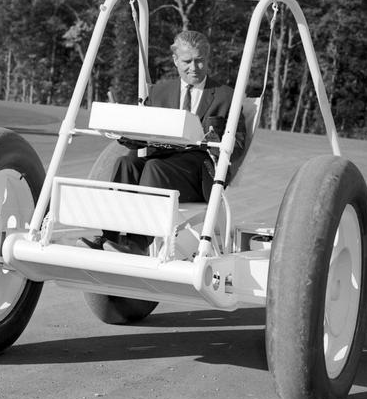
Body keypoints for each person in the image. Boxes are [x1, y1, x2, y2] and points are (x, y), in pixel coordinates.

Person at [83, 29, 246, 255]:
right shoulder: (159, 92)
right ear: (175, 60)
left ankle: (136, 244)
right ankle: (109, 238)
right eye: (187, 61)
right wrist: (121, 130)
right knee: (125, 164)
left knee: (153, 167)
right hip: (162, 160)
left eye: (200, 61)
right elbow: (141, 136)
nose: (194, 68)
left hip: (199, 173)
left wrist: (215, 140)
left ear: (208, 60)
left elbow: (237, 146)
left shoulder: (226, 96)